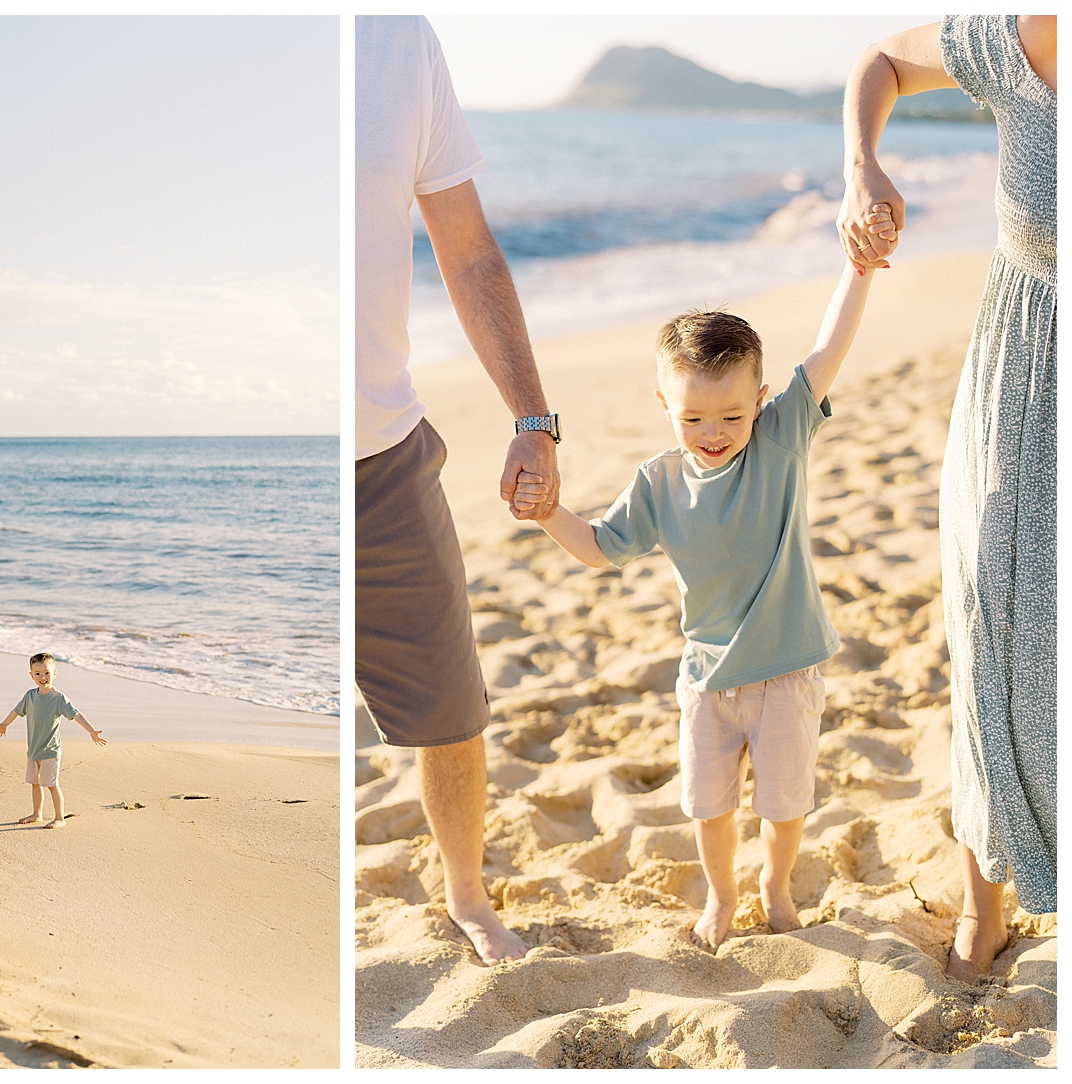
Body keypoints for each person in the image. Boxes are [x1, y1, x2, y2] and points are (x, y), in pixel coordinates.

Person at [515, 257, 880, 952]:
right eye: (692, 418)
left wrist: (858, 268)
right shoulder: (657, 482)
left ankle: (774, 885)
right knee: (709, 807)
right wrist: (547, 513)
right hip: (706, 680)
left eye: (732, 415)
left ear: (762, 399)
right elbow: (599, 547)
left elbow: (830, 348)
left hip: (786, 670)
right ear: (663, 407)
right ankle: (722, 895)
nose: (713, 432)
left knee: (783, 805)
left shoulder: (779, 439)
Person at [838, 15, 1056, 981]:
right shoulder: (1022, 37)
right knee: (987, 621)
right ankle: (984, 908)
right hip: (1018, 375)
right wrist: (863, 168)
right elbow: (881, 63)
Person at [355, 15, 560, 965]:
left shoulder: (398, 39)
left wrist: (532, 417)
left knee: (450, 700)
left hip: (381, 453)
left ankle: (467, 893)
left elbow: (468, 249)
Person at [0, 652, 107, 828]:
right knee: (35, 783)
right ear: (31, 675)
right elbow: (16, 711)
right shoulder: (30, 696)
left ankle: (60, 818)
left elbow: (76, 714)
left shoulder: (58, 698)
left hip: (50, 750)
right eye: (37, 673)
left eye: (47, 672)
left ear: (55, 673)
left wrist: (91, 730)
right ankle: (36, 813)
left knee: (52, 785)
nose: (43, 677)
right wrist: (4, 724)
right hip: (33, 749)